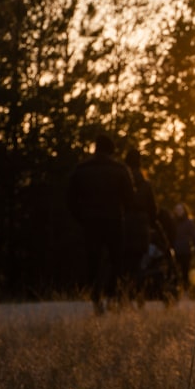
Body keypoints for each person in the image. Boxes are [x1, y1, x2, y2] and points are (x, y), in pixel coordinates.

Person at [66, 133, 134, 315]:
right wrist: (122, 215)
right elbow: (130, 200)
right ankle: (112, 296)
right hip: (114, 222)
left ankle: (96, 299)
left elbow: (70, 200)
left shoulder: (81, 170)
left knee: (93, 261)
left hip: (91, 223)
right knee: (116, 261)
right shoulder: (120, 169)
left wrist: (82, 218)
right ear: (111, 150)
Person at [122, 148, 158, 303]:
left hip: (124, 226)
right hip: (141, 228)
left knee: (124, 263)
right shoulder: (145, 184)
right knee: (138, 264)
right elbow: (154, 209)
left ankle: (123, 295)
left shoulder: (122, 181)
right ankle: (138, 295)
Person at [171, 203, 195, 297]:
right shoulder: (172, 222)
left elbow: (194, 237)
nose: (179, 211)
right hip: (174, 251)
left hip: (185, 251)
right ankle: (175, 292)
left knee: (185, 272)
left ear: (184, 210)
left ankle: (186, 292)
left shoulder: (189, 222)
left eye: (180, 209)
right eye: (177, 209)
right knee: (174, 272)